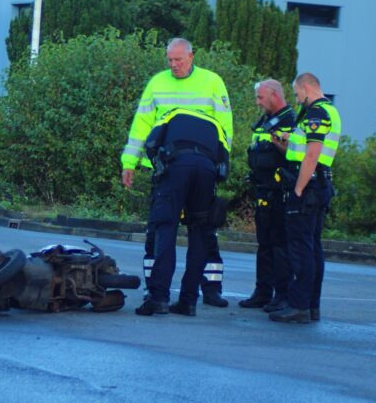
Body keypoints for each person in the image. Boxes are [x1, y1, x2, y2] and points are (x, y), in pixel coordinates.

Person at [120, 38, 233, 315]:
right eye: (169, 60)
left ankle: (159, 298)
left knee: (166, 227)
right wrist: (129, 161)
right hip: (198, 166)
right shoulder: (158, 82)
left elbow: (226, 125)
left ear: (192, 56)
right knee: (197, 230)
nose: (174, 65)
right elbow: (141, 124)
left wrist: (222, 161)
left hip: (177, 168)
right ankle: (188, 301)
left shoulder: (212, 81)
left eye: (179, 60)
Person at [269, 72, 341, 323]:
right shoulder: (328, 111)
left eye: (297, 93)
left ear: (307, 88)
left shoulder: (316, 113)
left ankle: (299, 305)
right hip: (319, 184)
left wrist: (298, 189)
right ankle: (311, 305)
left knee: (300, 248)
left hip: (308, 187)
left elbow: (312, 155)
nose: (296, 99)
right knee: (312, 247)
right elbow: (301, 151)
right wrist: (282, 142)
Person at [239, 79, 295, 311]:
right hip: (263, 190)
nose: (257, 102)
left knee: (280, 246)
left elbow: (294, 154)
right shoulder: (265, 121)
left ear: (274, 95)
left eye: (261, 97)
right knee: (264, 245)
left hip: (281, 193)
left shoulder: (291, 121)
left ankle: (282, 295)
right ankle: (263, 291)